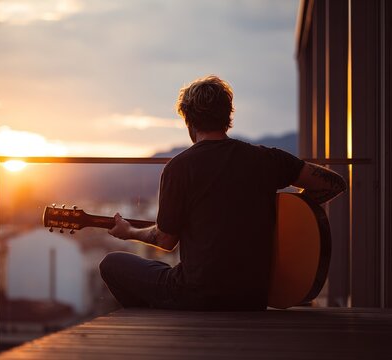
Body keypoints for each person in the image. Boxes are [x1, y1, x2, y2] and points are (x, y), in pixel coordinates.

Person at [99, 75, 347, 311]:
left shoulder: (180, 166)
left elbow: (166, 240)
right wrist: (292, 214)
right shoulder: (267, 159)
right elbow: (333, 184)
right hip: (252, 297)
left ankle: (158, 320)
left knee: (111, 264)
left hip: (197, 294)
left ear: (189, 121)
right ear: (227, 116)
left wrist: (129, 231)